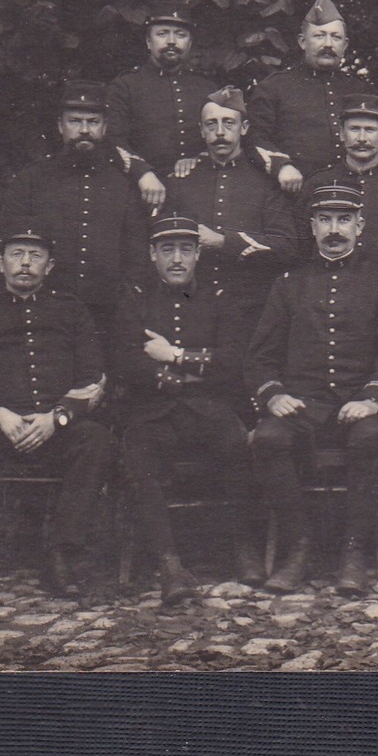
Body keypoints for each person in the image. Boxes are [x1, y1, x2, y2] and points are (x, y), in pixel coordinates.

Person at [0, 224, 113, 602]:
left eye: (35, 256)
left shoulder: (72, 311)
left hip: (56, 431)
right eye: (16, 254)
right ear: (0, 263)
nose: (25, 263)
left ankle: (62, 554)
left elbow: (94, 378)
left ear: (50, 265)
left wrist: (57, 417)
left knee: (98, 440)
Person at [245, 184, 378, 595]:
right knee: (267, 439)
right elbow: (260, 357)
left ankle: (354, 551)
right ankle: (298, 547)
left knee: (369, 440)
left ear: (359, 225)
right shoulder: (289, 283)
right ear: (313, 226)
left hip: (360, 402)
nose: (334, 230)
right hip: (304, 404)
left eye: (344, 220)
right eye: (325, 221)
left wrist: (373, 398)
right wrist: (274, 395)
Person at [111, 215, 251, 603]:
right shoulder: (135, 298)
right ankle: (170, 564)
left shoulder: (220, 298)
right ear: (152, 254)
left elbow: (234, 360)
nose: (177, 259)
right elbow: (125, 360)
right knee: (139, 458)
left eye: (186, 250)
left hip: (209, 410)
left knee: (238, 446)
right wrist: (180, 379)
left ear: (197, 256)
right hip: (151, 413)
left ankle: (243, 547)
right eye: (168, 249)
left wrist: (175, 356)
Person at [0, 80, 158, 339]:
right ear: (61, 126)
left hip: (109, 312)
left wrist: (128, 300)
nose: (84, 130)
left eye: (93, 122)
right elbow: (4, 240)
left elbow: (136, 252)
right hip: (43, 307)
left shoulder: (123, 183)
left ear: (105, 127)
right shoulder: (32, 179)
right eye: (75, 121)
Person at [165, 86, 297, 334]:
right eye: (211, 124)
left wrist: (225, 242)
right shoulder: (181, 180)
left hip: (252, 308)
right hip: (192, 307)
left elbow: (286, 246)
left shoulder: (267, 181)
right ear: (202, 131)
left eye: (229, 123)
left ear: (244, 128)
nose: (220, 132)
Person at [297, 93, 378, 300]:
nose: (361, 139)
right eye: (354, 129)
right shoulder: (318, 182)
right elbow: (302, 244)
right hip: (326, 294)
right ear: (341, 133)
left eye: (370, 130)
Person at [247, 0, 374, 182]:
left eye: (335, 37)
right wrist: (282, 167)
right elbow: (254, 138)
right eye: (319, 36)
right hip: (296, 192)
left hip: (353, 190)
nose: (328, 44)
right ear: (302, 42)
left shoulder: (361, 90)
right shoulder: (274, 88)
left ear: (345, 45)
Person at [105, 7, 221, 175]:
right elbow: (113, 139)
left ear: (189, 43)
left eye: (180, 35)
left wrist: (199, 160)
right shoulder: (125, 86)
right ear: (148, 42)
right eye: (162, 34)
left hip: (198, 180)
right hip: (143, 184)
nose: (172, 41)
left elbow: (221, 134)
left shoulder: (207, 87)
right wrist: (143, 173)